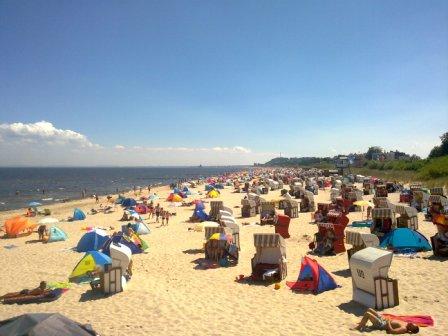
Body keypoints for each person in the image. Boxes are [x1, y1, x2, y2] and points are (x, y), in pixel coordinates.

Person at [354, 308, 419, 334]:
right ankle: (362, 323)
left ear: (411, 329)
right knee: (369, 309)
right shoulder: (406, 325)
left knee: (367, 314)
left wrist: (388, 323)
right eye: (412, 323)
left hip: (381, 324)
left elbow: (391, 332)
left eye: (412, 325)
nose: (411, 323)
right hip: (383, 320)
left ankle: (358, 327)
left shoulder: (403, 328)